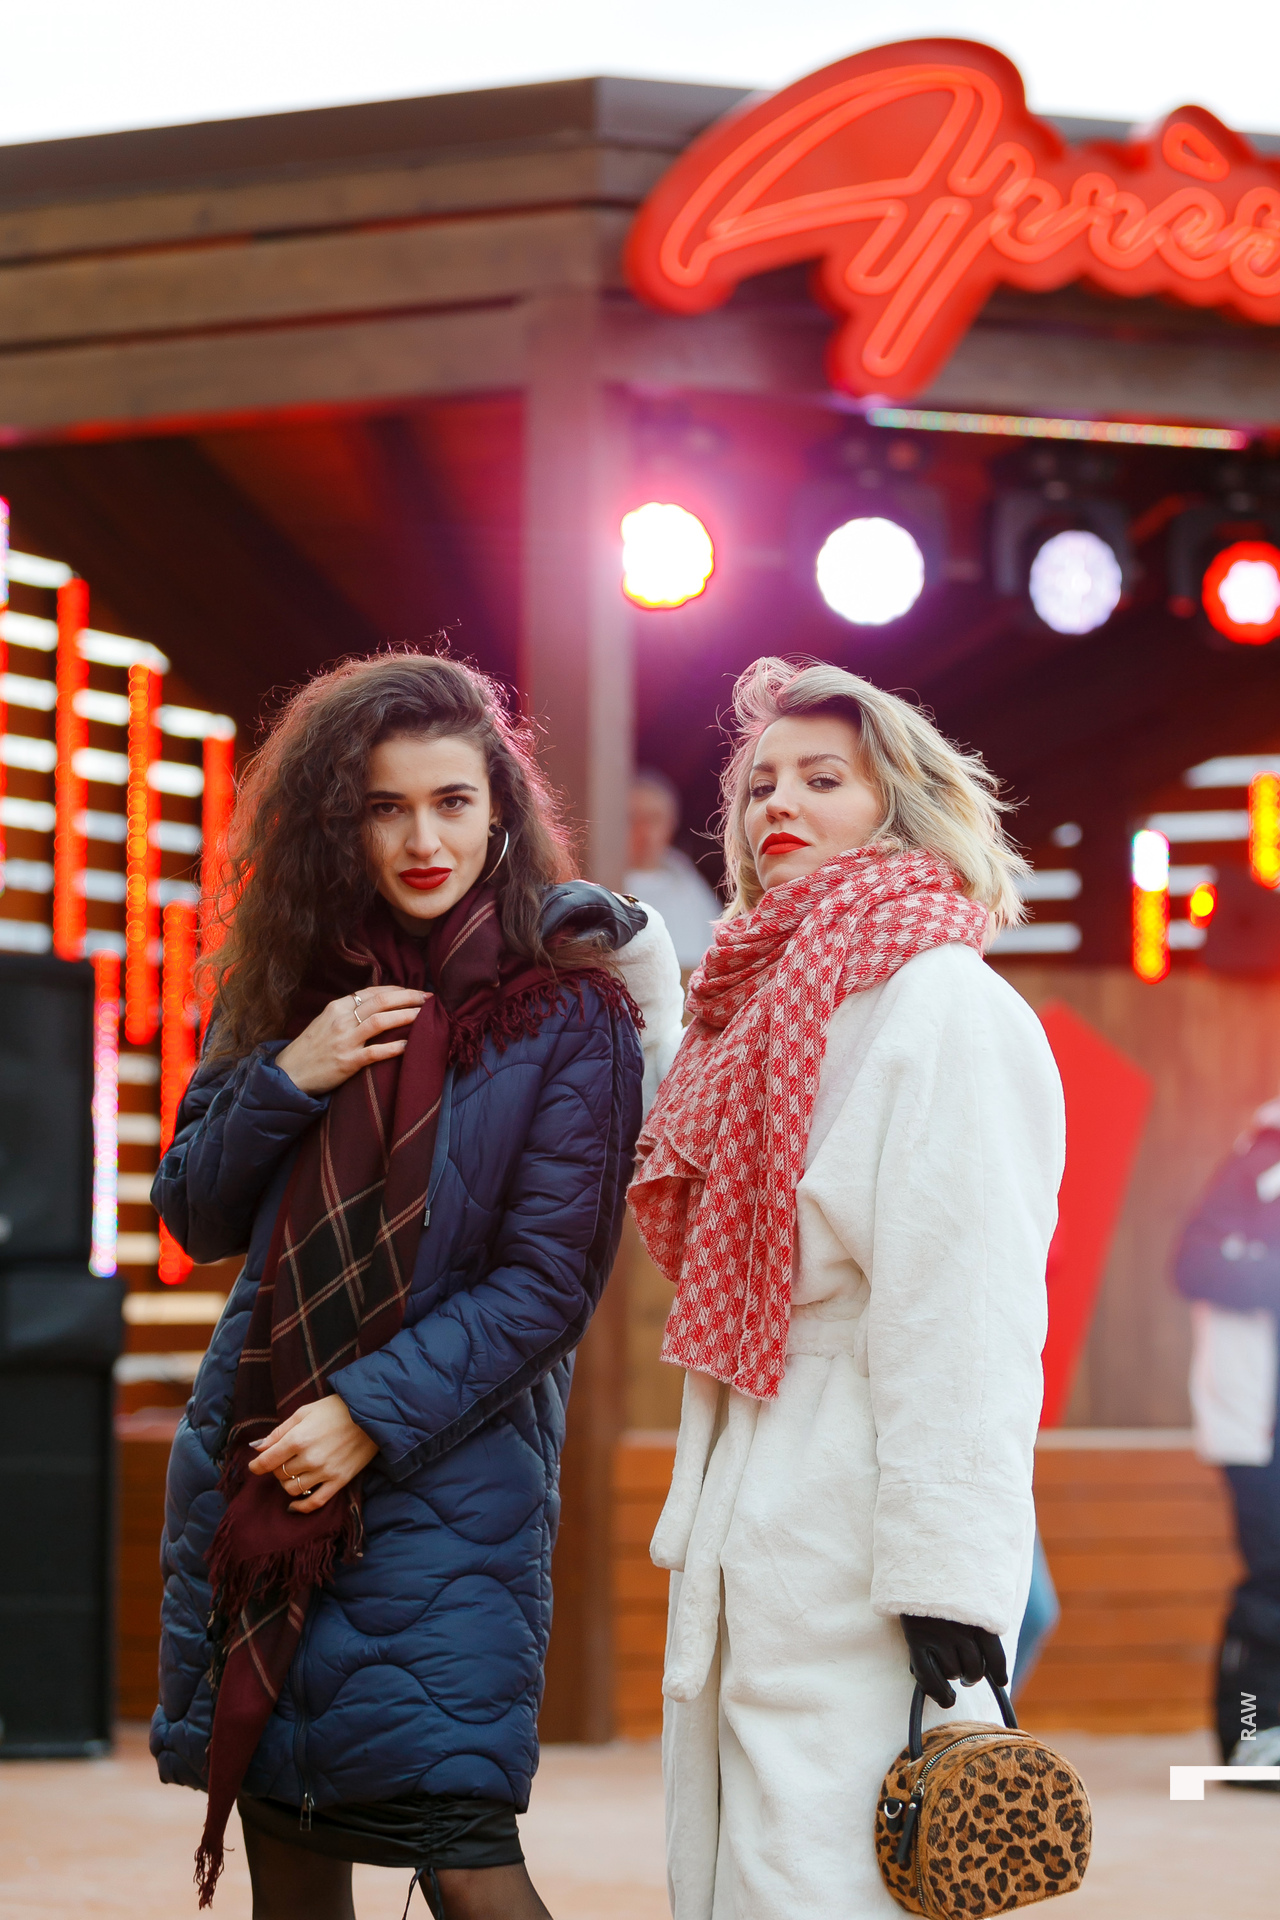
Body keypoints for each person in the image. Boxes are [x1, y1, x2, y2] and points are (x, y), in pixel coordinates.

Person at [149, 653, 672, 1920]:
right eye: (386, 808)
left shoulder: (568, 1015)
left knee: (465, 1860)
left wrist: (364, 1415)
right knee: (290, 1866)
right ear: (342, 821)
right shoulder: (285, 985)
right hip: (262, 1469)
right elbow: (195, 1213)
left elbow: (546, 1287)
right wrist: (290, 1074)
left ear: (498, 813)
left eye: (450, 802)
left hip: (443, 1489)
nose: (422, 840)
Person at [628, 658, 1066, 1919]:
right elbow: (710, 1183)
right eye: (760, 783)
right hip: (757, 1497)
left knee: (823, 1882)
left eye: (823, 778)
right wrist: (653, 995)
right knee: (754, 1869)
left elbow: (966, 1317)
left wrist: (947, 1589)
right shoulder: (760, 1004)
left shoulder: (945, 1005)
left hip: (862, 1521)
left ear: (899, 804)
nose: (779, 802)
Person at [1175, 1096, 1280, 1775]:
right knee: (1273, 1579)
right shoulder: (1259, 1163)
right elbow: (1193, 1263)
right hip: (1259, 1426)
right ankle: (1251, 1736)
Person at [624, 769, 721, 970]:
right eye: (634, 818)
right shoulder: (602, 881)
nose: (645, 830)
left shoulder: (689, 884)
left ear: (671, 823)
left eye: (655, 819)